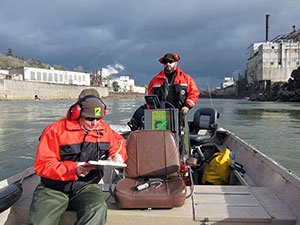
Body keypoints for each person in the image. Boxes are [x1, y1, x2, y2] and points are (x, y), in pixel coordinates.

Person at [28, 88, 128, 225]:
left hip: (86, 187)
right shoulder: (54, 131)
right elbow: (43, 165)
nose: (94, 123)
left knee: (97, 208)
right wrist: (74, 169)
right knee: (41, 221)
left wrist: (117, 155)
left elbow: (119, 143)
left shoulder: (104, 130)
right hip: (52, 189)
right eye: (89, 119)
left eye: (98, 119)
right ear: (77, 114)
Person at [148, 53, 200, 154]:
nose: (168, 64)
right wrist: (151, 108)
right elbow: (150, 96)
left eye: (170, 62)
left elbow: (194, 94)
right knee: (160, 140)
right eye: (165, 62)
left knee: (183, 138)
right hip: (160, 115)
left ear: (176, 63)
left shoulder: (186, 78)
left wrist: (187, 106)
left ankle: (184, 159)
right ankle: (161, 158)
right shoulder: (155, 80)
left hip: (180, 113)